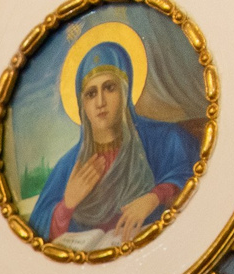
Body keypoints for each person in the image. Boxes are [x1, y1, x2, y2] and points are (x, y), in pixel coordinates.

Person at [30, 40, 198, 248]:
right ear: (83, 104)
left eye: (109, 88)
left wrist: (154, 197)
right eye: (91, 94)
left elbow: (192, 173)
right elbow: (34, 231)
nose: (100, 102)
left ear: (125, 91)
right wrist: (67, 204)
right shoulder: (69, 166)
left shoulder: (163, 139)